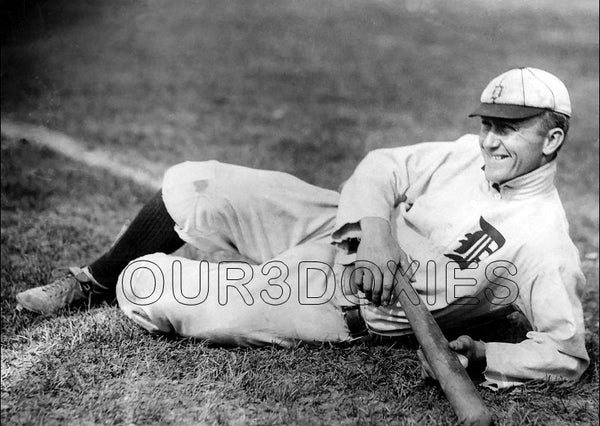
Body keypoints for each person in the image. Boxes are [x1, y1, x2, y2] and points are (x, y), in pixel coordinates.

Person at [16, 67, 589, 389]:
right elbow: (382, 167)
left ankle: (227, 280)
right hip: (343, 228)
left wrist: (487, 353)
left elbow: (566, 352)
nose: (491, 140)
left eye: (511, 130)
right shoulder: (467, 153)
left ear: (553, 139)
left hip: (339, 303)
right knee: (199, 184)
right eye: (489, 123)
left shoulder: (543, 239)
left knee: (156, 290)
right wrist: (377, 232)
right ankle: (92, 279)